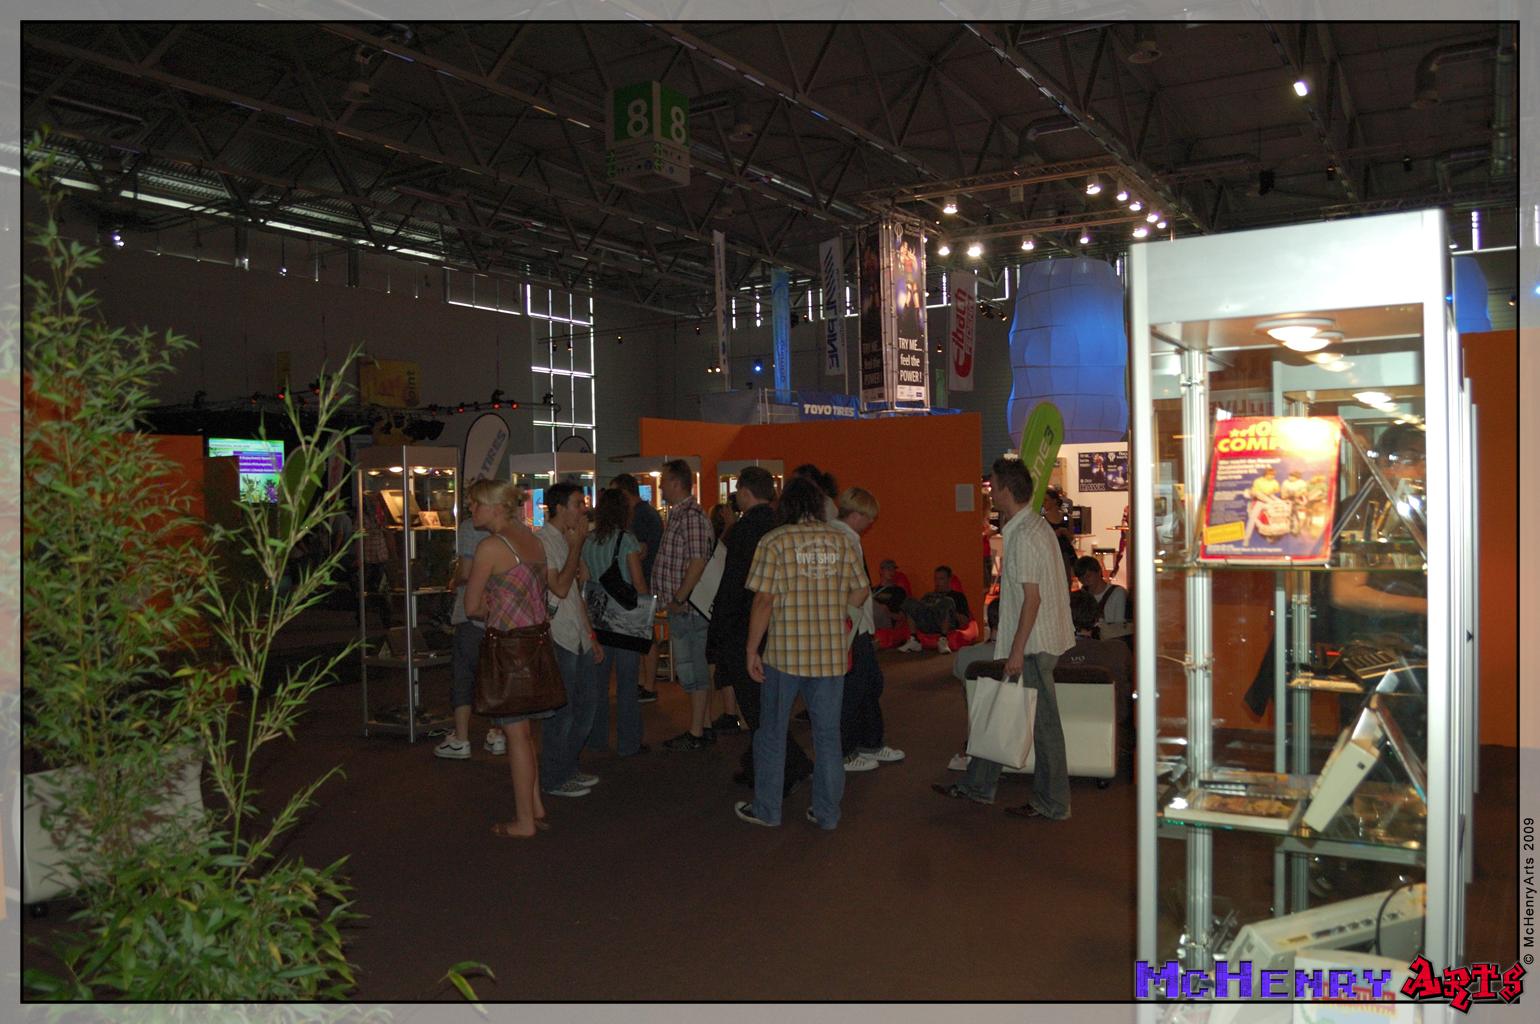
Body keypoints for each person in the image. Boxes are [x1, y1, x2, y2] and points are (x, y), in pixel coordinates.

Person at [934, 456, 1075, 820]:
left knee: (1043, 728)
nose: (991, 493)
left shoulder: (1025, 535)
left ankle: (1052, 802)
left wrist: (1016, 650)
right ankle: (979, 785)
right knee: (1003, 709)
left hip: (1034, 643)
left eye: (993, 486)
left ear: (1007, 490)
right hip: (1038, 639)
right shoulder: (1033, 527)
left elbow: (1032, 599)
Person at [734, 475, 870, 830]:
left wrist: (751, 649)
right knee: (827, 737)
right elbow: (861, 590)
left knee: (771, 733)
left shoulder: (774, 541)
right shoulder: (840, 541)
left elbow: (764, 600)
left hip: (785, 653)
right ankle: (827, 813)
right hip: (829, 655)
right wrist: (840, 616)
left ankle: (768, 810)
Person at [707, 467, 813, 795]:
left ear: (744, 492)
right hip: (780, 628)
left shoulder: (744, 531)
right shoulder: (783, 527)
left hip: (746, 628)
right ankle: (765, 764)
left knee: (758, 709)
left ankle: (784, 770)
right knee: (768, 706)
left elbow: (734, 587)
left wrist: (719, 632)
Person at [462, 478, 555, 838]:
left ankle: (525, 821)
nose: (471, 509)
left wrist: (492, 605)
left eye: (476, 503)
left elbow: (471, 606)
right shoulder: (532, 540)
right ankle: (535, 806)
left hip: (507, 648)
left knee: (516, 735)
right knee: (526, 733)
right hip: (535, 644)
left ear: (497, 507)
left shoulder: (491, 547)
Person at [535, 483, 605, 800]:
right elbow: (560, 588)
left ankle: (567, 767)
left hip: (577, 634)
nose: (584, 510)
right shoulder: (544, 540)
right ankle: (554, 776)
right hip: (559, 635)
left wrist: (591, 636)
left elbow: (575, 593)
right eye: (578, 504)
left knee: (586, 708)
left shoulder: (566, 539)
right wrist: (577, 548)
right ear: (560, 508)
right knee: (562, 712)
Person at [831, 486, 904, 773]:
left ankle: (869, 743)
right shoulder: (843, 539)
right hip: (851, 627)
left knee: (869, 684)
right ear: (856, 515)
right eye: (869, 517)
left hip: (856, 627)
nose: (872, 522)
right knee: (854, 689)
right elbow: (852, 588)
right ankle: (845, 752)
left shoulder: (848, 537)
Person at [434, 489, 506, 760]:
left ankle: (461, 738)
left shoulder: (469, 529)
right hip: (501, 617)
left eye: (474, 503)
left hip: (472, 615)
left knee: (464, 676)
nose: (471, 508)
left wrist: (454, 581)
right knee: (495, 676)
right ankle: (497, 733)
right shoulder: (514, 530)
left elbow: (466, 572)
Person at [582, 487, 650, 758]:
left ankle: (596, 738)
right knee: (626, 683)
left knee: (598, 684)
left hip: (597, 616)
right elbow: (638, 583)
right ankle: (628, 743)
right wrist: (646, 612)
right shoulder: (627, 540)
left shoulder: (588, 541)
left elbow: (585, 581)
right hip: (624, 619)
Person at [655, 459, 715, 750]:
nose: (660, 487)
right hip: (684, 609)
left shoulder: (690, 516)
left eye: (664, 481)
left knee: (694, 669)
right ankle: (703, 725)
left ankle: (697, 732)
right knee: (691, 669)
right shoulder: (681, 515)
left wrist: (680, 597)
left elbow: (697, 561)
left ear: (676, 483)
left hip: (689, 610)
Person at [613, 473, 664, 704]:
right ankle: (646, 683)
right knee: (643, 634)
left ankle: (649, 685)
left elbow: (640, 551)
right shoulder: (645, 513)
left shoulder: (641, 515)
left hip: (642, 581)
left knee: (645, 635)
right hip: (642, 581)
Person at [706, 499, 744, 734]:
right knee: (725, 663)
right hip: (728, 605)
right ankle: (734, 714)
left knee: (722, 662)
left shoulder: (725, 539)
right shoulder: (734, 536)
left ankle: (731, 714)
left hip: (722, 606)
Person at [895, 566, 976, 654]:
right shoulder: (929, 595)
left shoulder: (958, 596)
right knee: (910, 601)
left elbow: (965, 621)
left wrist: (951, 610)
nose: (937, 582)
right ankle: (914, 640)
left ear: (949, 580)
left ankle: (943, 640)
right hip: (927, 622)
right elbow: (918, 611)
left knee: (947, 601)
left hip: (945, 624)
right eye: (936, 579)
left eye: (941, 579)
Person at [1073, 555, 1130, 641]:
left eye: (1088, 575)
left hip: (1110, 641)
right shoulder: (1080, 596)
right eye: (1081, 577)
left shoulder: (1117, 593)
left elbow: (1119, 626)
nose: (1085, 580)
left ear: (1099, 572)